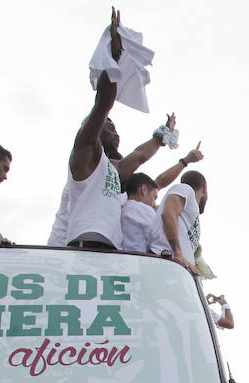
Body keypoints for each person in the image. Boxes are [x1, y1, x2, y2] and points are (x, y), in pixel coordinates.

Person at [61, 11, 197, 249]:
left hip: (111, 249)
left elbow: (140, 155)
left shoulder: (113, 171)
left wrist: (163, 134)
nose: (115, 132)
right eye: (109, 126)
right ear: (91, 126)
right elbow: (103, 103)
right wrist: (114, 57)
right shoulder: (84, 155)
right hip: (84, 245)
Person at [161, 171, 207, 275]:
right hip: (167, 263)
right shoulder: (185, 189)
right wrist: (178, 254)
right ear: (204, 188)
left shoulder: (189, 211)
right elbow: (168, 214)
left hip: (177, 270)